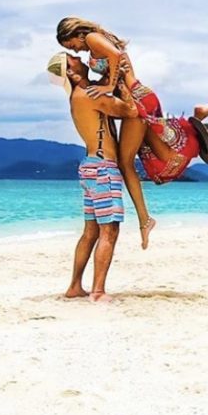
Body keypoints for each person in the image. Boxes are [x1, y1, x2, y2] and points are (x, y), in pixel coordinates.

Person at [55, 17, 208, 246]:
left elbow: (114, 56)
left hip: (136, 97)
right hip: (140, 93)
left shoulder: (93, 38)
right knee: (161, 152)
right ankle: (197, 119)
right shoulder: (98, 40)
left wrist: (105, 86)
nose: (75, 50)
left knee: (127, 163)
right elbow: (115, 64)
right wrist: (105, 84)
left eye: (71, 45)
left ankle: (145, 219)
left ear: (75, 33)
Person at [46, 51, 138, 301]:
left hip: (90, 167)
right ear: (71, 73)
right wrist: (121, 78)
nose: (78, 56)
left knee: (91, 232)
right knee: (109, 231)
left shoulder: (80, 96)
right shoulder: (87, 96)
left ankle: (75, 286)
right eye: (72, 58)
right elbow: (130, 110)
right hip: (103, 169)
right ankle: (97, 291)